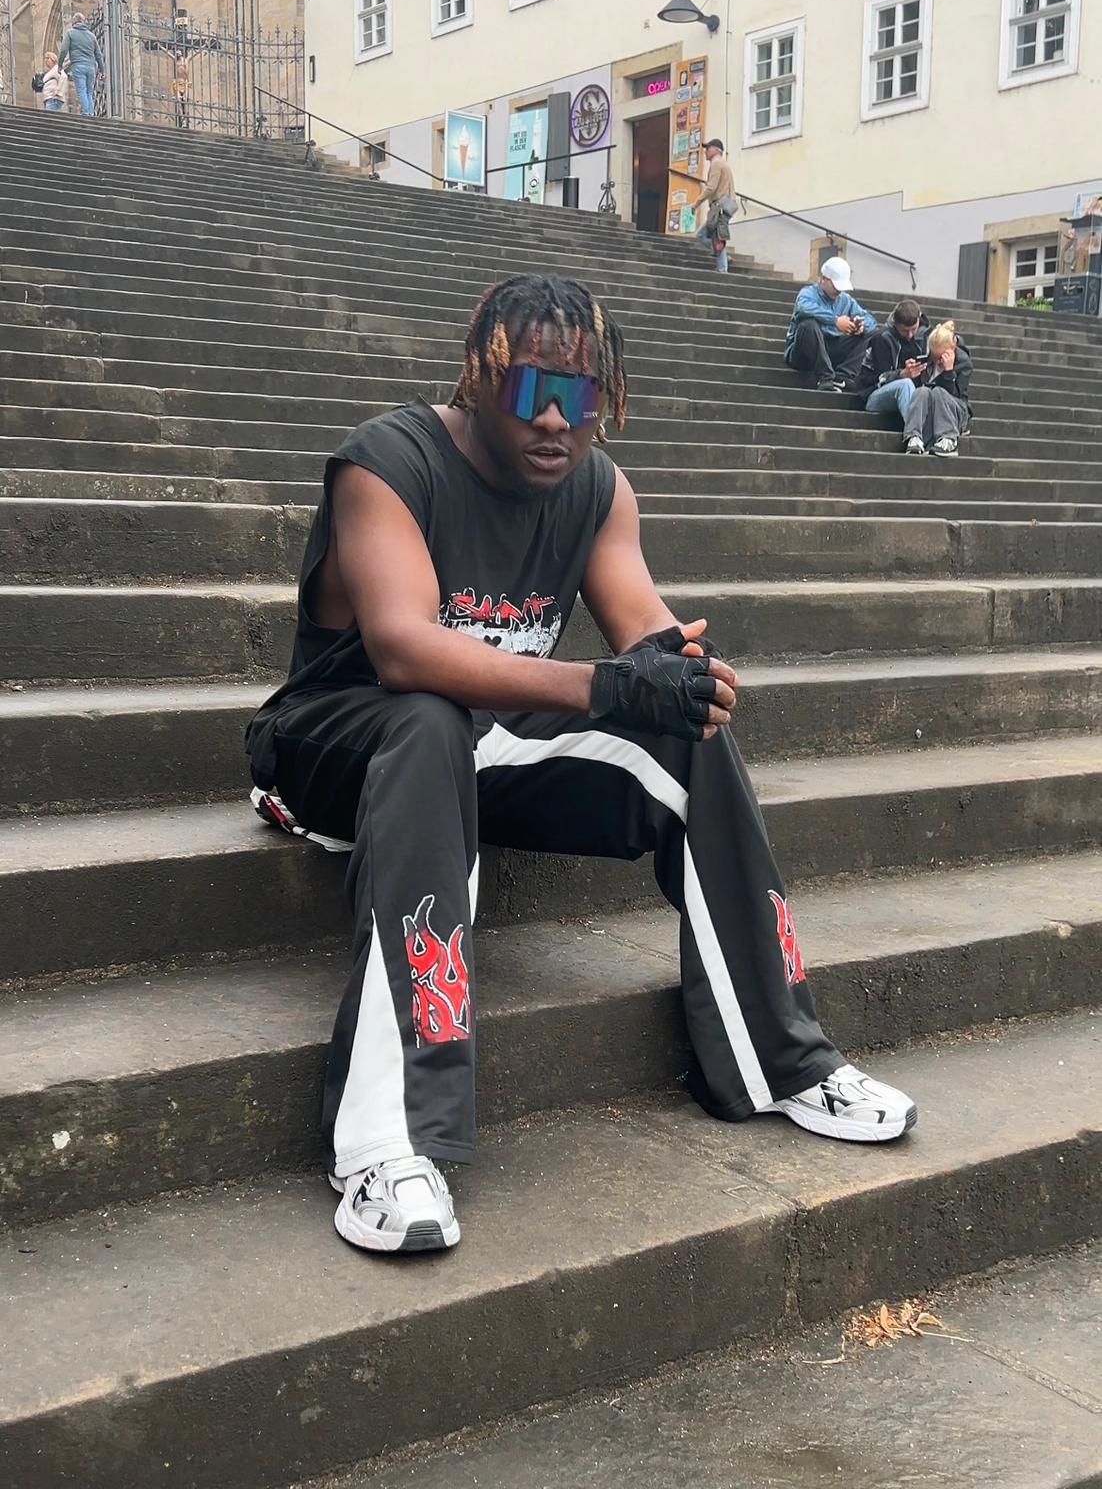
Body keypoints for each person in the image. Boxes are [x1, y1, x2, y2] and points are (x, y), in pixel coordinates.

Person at [244, 274, 917, 1256]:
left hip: (480, 743)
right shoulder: (388, 461)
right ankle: (388, 1140)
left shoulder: (598, 491)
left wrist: (679, 678)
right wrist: (605, 686)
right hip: (333, 740)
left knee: (686, 736)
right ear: (478, 379)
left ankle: (782, 1056)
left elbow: (643, 631)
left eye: (582, 396)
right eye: (532, 391)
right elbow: (402, 649)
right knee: (428, 719)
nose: (557, 421)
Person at [784, 257, 877, 392]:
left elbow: (870, 320)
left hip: (830, 349)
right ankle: (825, 377)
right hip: (803, 352)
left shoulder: (846, 300)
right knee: (808, 325)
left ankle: (843, 375)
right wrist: (835, 321)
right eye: (835, 286)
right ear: (823, 279)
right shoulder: (808, 293)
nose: (838, 291)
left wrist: (861, 326)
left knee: (871, 333)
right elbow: (803, 308)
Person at [858, 298, 929, 439]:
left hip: (914, 394)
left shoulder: (925, 336)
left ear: (919, 319)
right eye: (905, 331)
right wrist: (901, 374)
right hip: (874, 394)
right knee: (905, 384)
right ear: (896, 324)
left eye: (913, 329)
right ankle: (915, 436)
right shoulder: (882, 339)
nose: (910, 335)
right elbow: (877, 379)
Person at [903, 321, 973, 458]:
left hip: (955, 410)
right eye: (934, 357)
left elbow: (957, 394)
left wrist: (948, 372)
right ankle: (914, 436)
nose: (937, 361)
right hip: (930, 410)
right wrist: (910, 373)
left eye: (940, 357)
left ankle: (948, 438)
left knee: (938, 392)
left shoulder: (963, 363)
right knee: (922, 391)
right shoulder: (925, 360)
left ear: (953, 347)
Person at [692, 139, 737, 274]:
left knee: (705, 236)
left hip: (720, 206)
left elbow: (711, 188)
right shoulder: (723, 164)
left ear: (717, 150)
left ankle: (723, 269)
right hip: (726, 205)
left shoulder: (716, 164)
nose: (705, 151)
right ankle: (724, 258)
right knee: (715, 236)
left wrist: (696, 203)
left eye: (708, 148)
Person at [56, 13, 104, 117]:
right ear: (83, 22)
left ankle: (86, 113)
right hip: (91, 67)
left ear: (74, 22)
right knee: (89, 92)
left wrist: (60, 65)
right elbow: (98, 54)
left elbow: (63, 50)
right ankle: (91, 113)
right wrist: (102, 70)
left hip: (78, 65)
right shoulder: (92, 36)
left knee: (82, 90)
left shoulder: (70, 33)